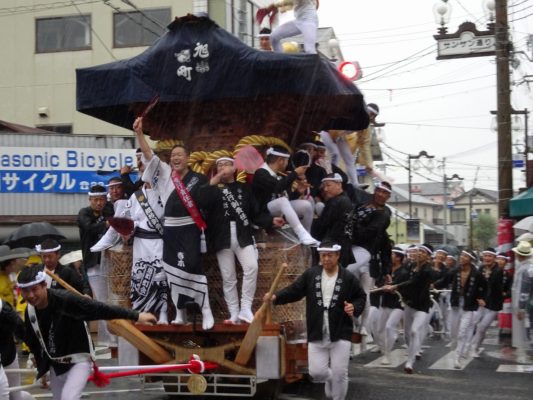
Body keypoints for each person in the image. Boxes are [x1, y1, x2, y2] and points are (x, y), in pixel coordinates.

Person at [17, 265, 156, 400]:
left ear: (43, 285)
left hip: (78, 360)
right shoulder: (30, 312)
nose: (31, 295)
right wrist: (41, 370)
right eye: (26, 291)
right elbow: (34, 342)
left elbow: (101, 309)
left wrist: (137, 316)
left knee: (69, 398)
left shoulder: (65, 300)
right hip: (56, 365)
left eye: (34, 289)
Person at [134, 117, 214, 329]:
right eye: (173, 156)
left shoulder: (199, 179)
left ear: (188, 158)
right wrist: (139, 134)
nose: (176, 158)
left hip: (190, 228)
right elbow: (149, 155)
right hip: (170, 230)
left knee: (192, 267)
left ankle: (206, 310)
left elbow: (207, 203)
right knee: (171, 270)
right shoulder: (165, 174)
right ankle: (180, 313)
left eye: (180, 155)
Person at [265, 242, 366, 400]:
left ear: (338, 255)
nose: (326, 259)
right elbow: (295, 290)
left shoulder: (347, 277)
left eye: (329, 255)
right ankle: (329, 378)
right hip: (316, 330)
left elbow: (361, 296)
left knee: (340, 373)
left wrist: (354, 307)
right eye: (323, 255)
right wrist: (276, 297)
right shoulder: (311, 274)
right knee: (316, 372)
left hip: (341, 331)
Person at [207, 157, 283, 324]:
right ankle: (233, 313)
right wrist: (216, 179)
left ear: (234, 168)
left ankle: (245, 309)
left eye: (226, 164)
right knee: (228, 277)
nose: (222, 167)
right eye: (219, 165)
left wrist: (270, 221)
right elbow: (201, 197)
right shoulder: (212, 188)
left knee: (251, 267)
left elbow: (255, 213)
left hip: (243, 234)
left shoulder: (244, 188)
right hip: (222, 236)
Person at [121, 159, 169, 325]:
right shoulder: (135, 197)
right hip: (140, 243)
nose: (146, 172)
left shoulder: (164, 193)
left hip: (159, 241)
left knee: (160, 276)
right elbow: (128, 219)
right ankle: (141, 312)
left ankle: (163, 312)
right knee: (140, 276)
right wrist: (126, 232)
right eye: (143, 169)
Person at [252, 145, 317, 245]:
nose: (287, 164)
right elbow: (277, 188)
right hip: (263, 213)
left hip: (277, 208)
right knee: (282, 201)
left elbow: (284, 198)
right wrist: (295, 173)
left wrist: (297, 192)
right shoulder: (260, 173)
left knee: (306, 205)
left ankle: (307, 236)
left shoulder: (277, 174)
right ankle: (301, 233)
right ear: (281, 160)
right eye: (287, 161)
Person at [385, 244, 434, 374]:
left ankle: (410, 362)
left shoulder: (428, 270)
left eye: (423, 252)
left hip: (422, 307)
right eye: (418, 251)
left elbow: (414, 282)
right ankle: (412, 350)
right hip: (409, 304)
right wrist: (390, 284)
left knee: (414, 331)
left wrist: (396, 286)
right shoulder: (410, 266)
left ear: (428, 257)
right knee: (406, 335)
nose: (419, 254)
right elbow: (404, 278)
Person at [435, 249, 486, 368]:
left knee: (462, 332)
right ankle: (454, 344)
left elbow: (485, 287)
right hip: (456, 304)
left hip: (469, 306)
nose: (462, 258)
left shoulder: (476, 274)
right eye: (462, 255)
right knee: (453, 331)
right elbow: (444, 280)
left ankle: (457, 357)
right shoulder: (455, 271)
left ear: (471, 260)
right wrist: (433, 285)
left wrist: (481, 298)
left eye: (465, 256)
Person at [77, 184, 115, 344]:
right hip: (94, 262)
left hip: (112, 260)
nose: (99, 203)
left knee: (113, 299)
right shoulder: (84, 213)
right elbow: (89, 228)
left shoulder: (110, 210)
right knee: (101, 300)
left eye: (102, 199)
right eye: (96, 200)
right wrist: (106, 224)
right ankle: (109, 336)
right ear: (90, 199)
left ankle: (112, 334)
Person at [469, 248, 510, 358]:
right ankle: (473, 345)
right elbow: (477, 284)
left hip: (494, 303)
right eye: (485, 256)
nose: (487, 258)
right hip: (481, 302)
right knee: (474, 323)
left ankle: (475, 347)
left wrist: (504, 295)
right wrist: (478, 297)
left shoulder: (499, 271)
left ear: (494, 258)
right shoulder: (481, 268)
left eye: (490, 256)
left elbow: (492, 286)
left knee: (482, 327)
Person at [311, 173, 354, 267]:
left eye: (328, 185)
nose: (325, 189)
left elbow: (322, 226)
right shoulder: (346, 200)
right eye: (324, 186)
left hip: (332, 249)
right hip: (343, 247)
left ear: (339, 184)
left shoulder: (336, 202)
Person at [377, 246, 409, 365]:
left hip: (398, 304)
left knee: (389, 327)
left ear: (399, 258)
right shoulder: (387, 270)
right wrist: (383, 285)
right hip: (385, 302)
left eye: (392, 255)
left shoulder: (404, 272)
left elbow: (404, 287)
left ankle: (387, 354)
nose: (390, 256)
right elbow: (380, 282)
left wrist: (393, 286)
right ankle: (384, 348)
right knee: (379, 329)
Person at [512, 241, 533, 348]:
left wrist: (521, 309)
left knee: (529, 331)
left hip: (530, 306)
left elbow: (523, 292)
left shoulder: (525, 270)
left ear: (520, 255)